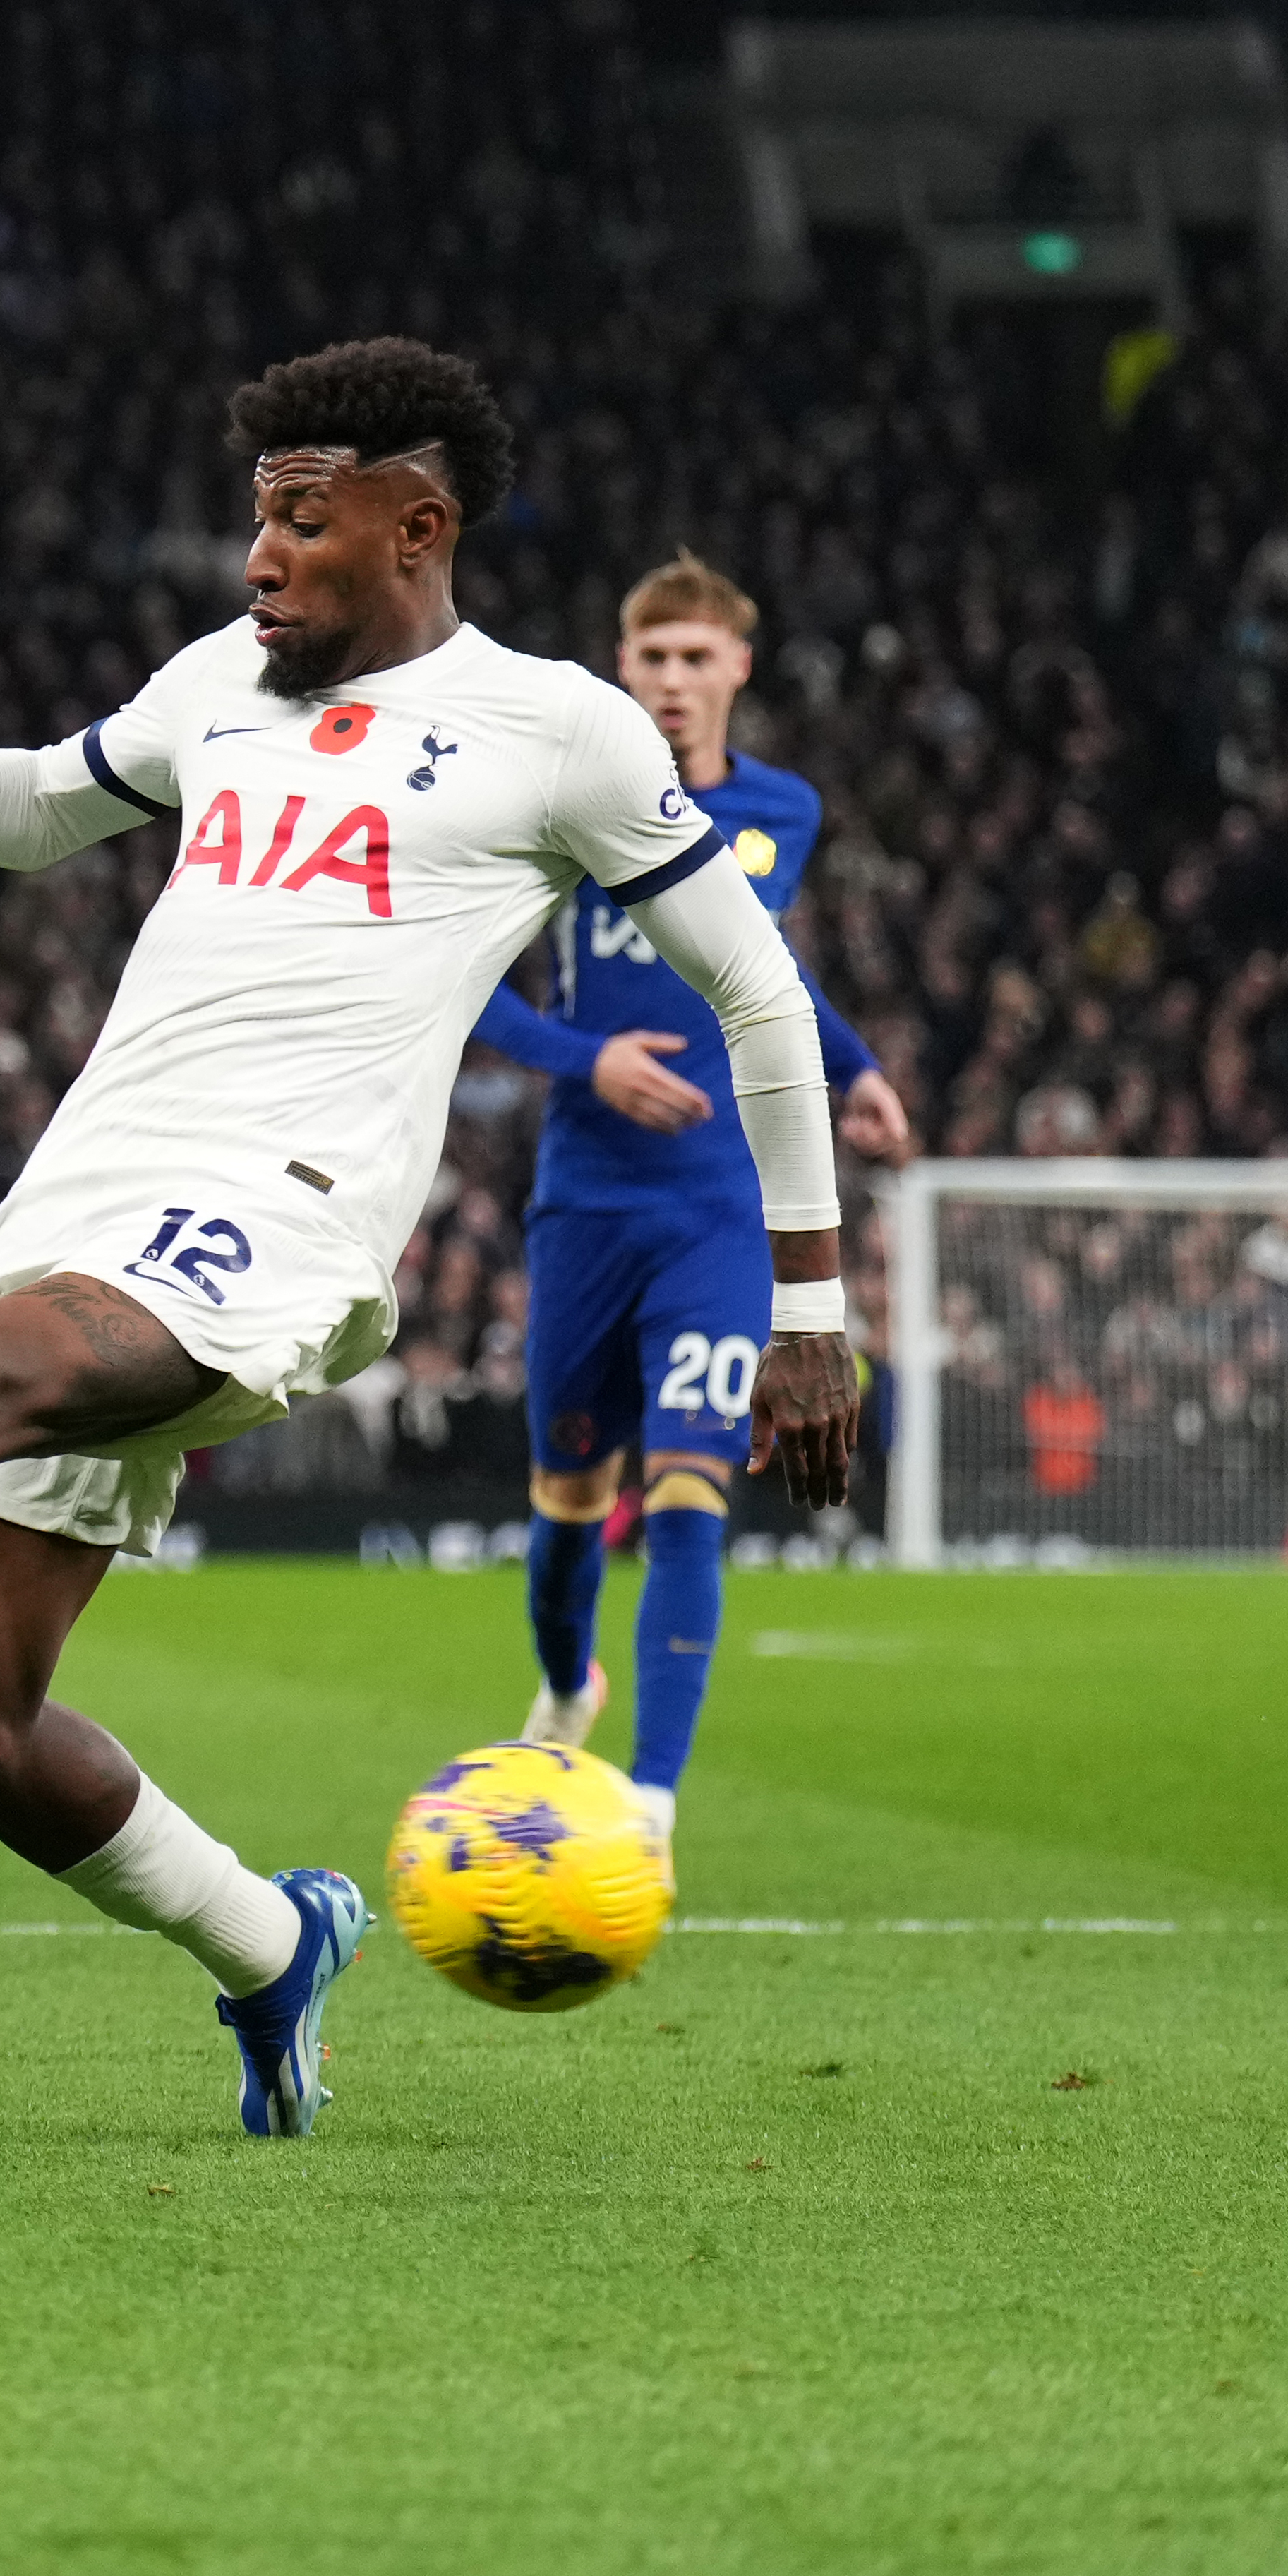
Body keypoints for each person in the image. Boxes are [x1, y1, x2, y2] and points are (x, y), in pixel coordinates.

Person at [0, 340, 861, 2140]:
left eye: (299, 519)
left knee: (4, 1375)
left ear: (417, 525)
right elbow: (42, 807)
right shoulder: (219, 681)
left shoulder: (558, 727)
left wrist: (809, 1302)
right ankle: (274, 1944)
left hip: (288, 1214)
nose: (258, 557)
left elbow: (758, 994)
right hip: (89, 1181)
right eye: (255, 518)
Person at [465, 556, 908, 1854]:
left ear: (736, 669)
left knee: (687, 1494)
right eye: (650, 659)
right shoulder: (556, 809)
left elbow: (764, 966)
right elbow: (476, 987)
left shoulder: (783, 811)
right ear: (622, 665)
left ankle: (650, 1799)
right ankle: (565, 1686)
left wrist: (855, 1064)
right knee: (562, 1505)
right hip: (585, 1200)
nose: (670, 681)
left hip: (722, 1208)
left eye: (694, 659)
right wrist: (583, 1059)